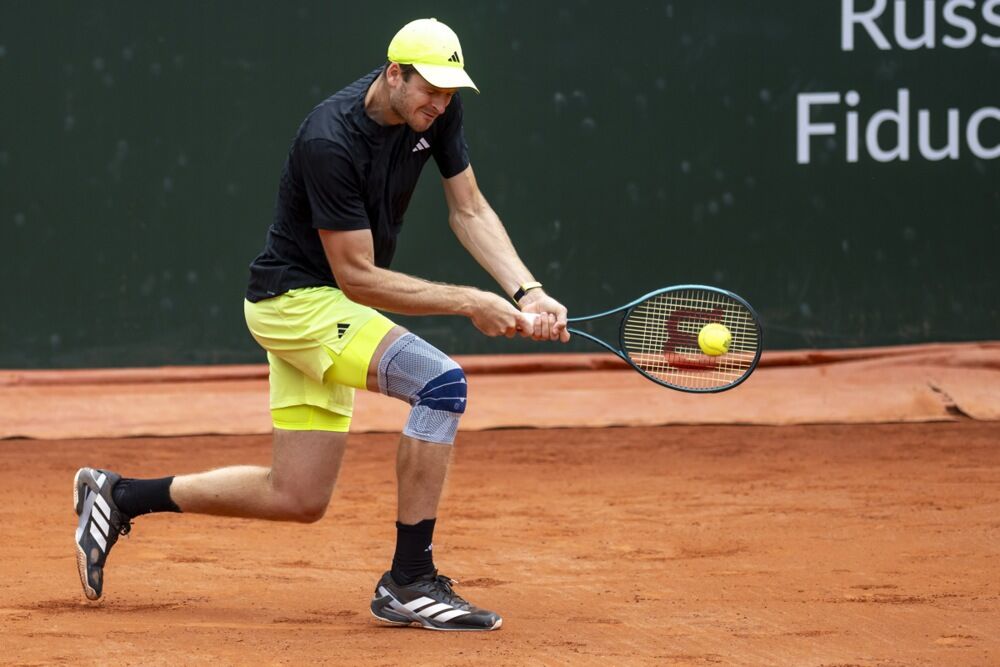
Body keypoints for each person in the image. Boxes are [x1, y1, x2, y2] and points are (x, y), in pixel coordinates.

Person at [73, 18, 569, 632]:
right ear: (394, 74)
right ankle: (410, 580)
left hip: (328, 306)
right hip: (296, 302)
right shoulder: (329, 139)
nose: (440, 104)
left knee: (297, 495)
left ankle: (119, 495)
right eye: (430, 90)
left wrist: (526, 290)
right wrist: (472, 302)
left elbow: (468, 209)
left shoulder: (436, 112)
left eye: (449, 93)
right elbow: (357, 277)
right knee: (441, 385)